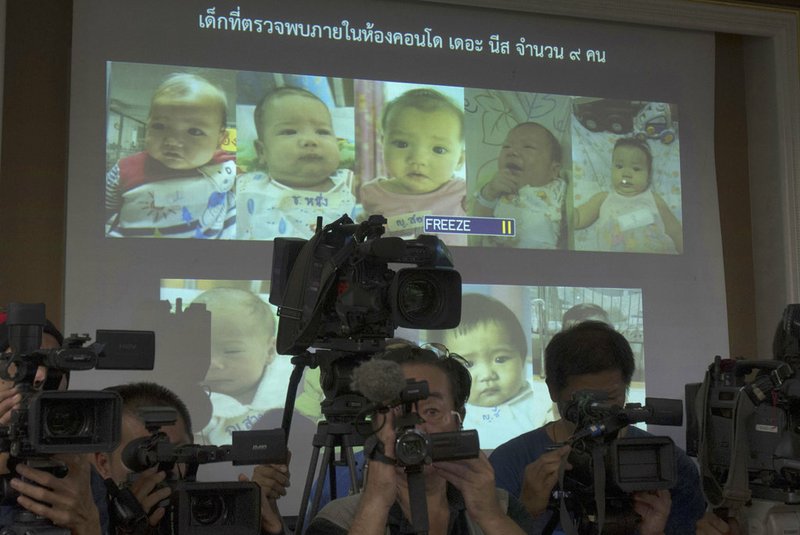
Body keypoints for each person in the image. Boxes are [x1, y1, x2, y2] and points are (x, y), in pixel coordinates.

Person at [489, 321, 705, 534]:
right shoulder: (510, 462)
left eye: (610, 397)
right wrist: (524, 512)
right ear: (553, 390)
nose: (598, 412)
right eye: (584, 400)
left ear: (627, 387)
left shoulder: (666, 464)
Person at [306, 344, 536, 534]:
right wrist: (374, 505)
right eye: (398, 411)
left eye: (432, 411)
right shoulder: (339, 519)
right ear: (376, 423)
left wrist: (490, 517)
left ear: (458, 420)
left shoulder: (502, 507)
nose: (415, 427)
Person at [93, 381, 289, 535]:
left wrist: (268, 527)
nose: (165, 467)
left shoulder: (214, 513)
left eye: (178, 452)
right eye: (145, 456)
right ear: (103, 464)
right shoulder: (84, 521)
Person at [0, 316, 107, 535]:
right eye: (20, 365)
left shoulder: (77, 474)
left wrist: (86, 525)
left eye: (52, 365)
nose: (40, 375)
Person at [105, 73, 236, 239]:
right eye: (159, 126)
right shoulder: (125, 170)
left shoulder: (226, 168)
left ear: (220, 139)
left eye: (194, 131)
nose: (172, 141)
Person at [235, 86, 357, 240]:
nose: (310, 140)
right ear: (262, 151)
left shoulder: (349, 183)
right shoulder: (249, 185)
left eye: (322, 132)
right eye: (289, 131)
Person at [437, 293, 553, 449]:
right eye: (468, 364)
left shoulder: (542, 402)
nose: (487, 375)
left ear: (522, 358)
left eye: (500, 359)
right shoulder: (450, 416)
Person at [359, 88, 467, 246]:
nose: (418, 159)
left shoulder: (463, 193)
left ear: (460, 160)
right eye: (402, 144)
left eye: (439, 149)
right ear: (383, 144)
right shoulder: (373, 194)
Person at [190, 287, 291, 445]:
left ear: (270, 351)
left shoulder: (287, 386)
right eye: (201, 351)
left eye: (231, 351)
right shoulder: (194, 400)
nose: (214, 363)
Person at [573, 137, 683, 254]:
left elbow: (676, 232)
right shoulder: (603, 198)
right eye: (619, 166)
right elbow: (578, 218)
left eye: (636, 169)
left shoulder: (653, 199)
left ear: (648, 175)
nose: (626, 174)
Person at [472, 122, 566, 249]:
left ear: (553, 170)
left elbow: (572, 221)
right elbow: (478, 226)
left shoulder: (557, 188)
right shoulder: (498, 191)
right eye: (506, 146)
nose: (512, 152)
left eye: (528, 147)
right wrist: (489, 193)